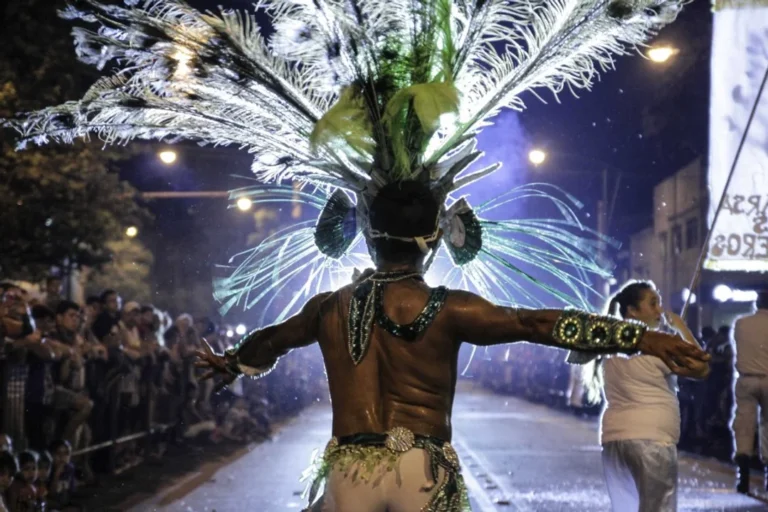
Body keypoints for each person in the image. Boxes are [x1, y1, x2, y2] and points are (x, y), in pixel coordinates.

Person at [196, 182, 710, 512]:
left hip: (349, 472)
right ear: (435, 240)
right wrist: (642, 337)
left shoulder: (327, 307)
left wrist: (233, 361)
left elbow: (270, 342)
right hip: (424, 470)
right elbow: (538, 323)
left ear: (369, 241)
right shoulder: (450, 307)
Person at [594, 280, 707, 512]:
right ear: (632, 311)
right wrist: (681, 328)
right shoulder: (656, 346)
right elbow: (701, 366)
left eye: (660, 303)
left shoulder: (609, 343)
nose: (660, 311)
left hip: (615, 440)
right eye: (653, 303)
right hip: (651, 441)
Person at [730, 290, 768, 494]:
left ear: (757, 304)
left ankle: (742, 476)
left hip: (746, 378)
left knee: (743, 425)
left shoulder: (741, 323)